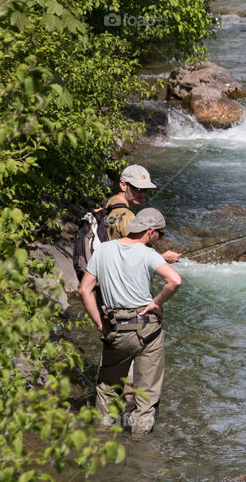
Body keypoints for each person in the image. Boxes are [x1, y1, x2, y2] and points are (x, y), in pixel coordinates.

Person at [78, 208, 182, 434]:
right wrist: (156, 303)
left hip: (115, 328)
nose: (159, 239)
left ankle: (101, 442)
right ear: (151, 232)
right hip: (147, 329)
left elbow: (84, 290)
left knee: (107, 390)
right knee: (146, 397)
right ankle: (140, 451)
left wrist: (100, 324)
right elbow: (174, 281)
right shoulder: (149, 254)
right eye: (160, 235)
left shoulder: (103, 250)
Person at [106, 164, 181, 263]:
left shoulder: (110, 202)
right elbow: (135, 257)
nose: (142, 194)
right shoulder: (127, 217)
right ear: (123, 185)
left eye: (145, 190)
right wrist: (162, 258)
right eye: (138, 189)